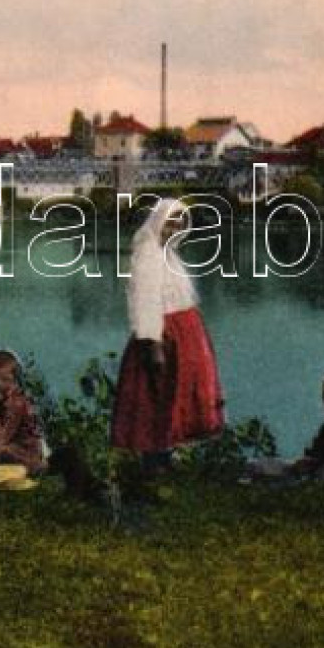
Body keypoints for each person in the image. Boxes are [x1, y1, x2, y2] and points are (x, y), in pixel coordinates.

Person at [110, 198, 225, 467]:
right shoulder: (148, 252)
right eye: (170, 220)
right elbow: (145, 299)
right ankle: (153, 463)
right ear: (158, 220)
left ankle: (167, 458)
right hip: (164, 335)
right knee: (157, 397)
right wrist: (153, 342)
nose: (174, 226)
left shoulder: (168, 252)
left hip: (183, 333)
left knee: (174, 398)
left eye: (180, 221)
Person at [0, 350, 45, 476]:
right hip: (6, 447)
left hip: (26, 453)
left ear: (14, 381)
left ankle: (34, 471)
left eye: (5, 380)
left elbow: (2, 439)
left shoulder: (16, 403)